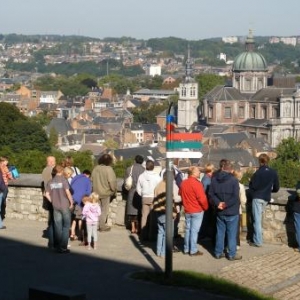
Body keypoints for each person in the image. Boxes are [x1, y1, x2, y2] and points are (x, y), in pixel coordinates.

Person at [209, 159, 241, 261]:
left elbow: (211, 194)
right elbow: (235, 196)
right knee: (231, 233)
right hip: (231, 210)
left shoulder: (214, 179)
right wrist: (225, 204)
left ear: (222, 168)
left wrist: (218, 203)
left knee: (220, 232)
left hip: (220, 210)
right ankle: (231, 254)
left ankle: (218, 252)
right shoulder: (234, 180)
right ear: (231, 170)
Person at [248, 153, 280, 247]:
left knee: (257, 220)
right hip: (266, 197)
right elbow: (277, 187)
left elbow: (252, 186)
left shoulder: (257, 173)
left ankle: (258, 241)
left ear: (260, 161)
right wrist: (270, 190)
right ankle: (258, 237)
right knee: (259, 219)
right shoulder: (273, 172)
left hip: (257, 197)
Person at [179, 166, 208, 256]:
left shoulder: (183, 183)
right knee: (194, 231)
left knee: (188, 230)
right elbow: (202, 198)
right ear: (193, 173)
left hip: (187, 209)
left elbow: (180, 194)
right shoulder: (197, 184)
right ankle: (193, 250)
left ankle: (186, 248)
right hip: (197, 209)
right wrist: (205, 207)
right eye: (198, 171)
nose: (199, 173)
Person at [45, 164, 74, 254]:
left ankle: (57, 246)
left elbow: (46, 194)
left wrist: (52, 201)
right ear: (61, 171)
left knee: (58, 226)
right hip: (65, 205)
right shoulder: (64, 180)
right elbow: (68, 192)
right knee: (66, 226)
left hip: (55, 206)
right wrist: (71, 202)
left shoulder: (50, 181)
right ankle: (63, 247)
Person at [136, 159, 161, 241]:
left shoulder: (141, 176)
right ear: (153, 167)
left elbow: (138, 189)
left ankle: (143, 235)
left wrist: (142, 194)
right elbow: (160, 188)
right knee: (153, 217)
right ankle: (151, 236)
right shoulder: (157, 176)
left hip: (145, 197)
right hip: (153, 197)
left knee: (144, 216)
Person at [152, 172, 176, 257]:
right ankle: (164, 253)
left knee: (161, 232)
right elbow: (168, 203)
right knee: (168, 234)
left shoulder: (158, 185)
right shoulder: (167, 187)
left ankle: (159, 251)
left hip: (158, 212)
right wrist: (173, 213)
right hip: (166, 212)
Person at [91, 154, 117, 232]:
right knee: (104, 210)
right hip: (105, 193)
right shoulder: (109, 169)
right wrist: (113, 191)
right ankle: (102, 226)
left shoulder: (95, 168)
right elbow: (112, 182)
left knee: (96, 210)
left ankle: (94, 225)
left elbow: (91, 180)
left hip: (95, 192)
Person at [124, 155, 145, 234]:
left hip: (132, 191)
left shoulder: (129, 169)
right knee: (139, 211)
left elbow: (125, 181)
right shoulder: (144, 170)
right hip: (141, 192)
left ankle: (132, 228)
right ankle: (138, 228)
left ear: (135, 160)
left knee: (132, 210)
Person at [70, 169, 92, 241]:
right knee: (80, 219)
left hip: (72, 200)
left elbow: (70, 187)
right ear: (88, 175)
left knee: (73, 218)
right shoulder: (88, 180)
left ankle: (72, 234)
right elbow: (88, 193)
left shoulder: (75, 178)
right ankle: (80, 235)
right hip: (80, 201)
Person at [41, 155, 56, 248]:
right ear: (51, 162)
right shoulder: (51, 171)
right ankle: (52, 239)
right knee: (54, 219)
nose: (54, 163)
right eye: (54, 161)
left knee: (51, 217)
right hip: (52, 195)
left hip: (47, 195)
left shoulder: (44, 170)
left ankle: (52, 238)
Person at [233, 170, 247, 249]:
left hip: (229, 208)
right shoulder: (241, 186)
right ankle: (237, 244)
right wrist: (243, 206)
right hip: (238, 209)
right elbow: (243, 200)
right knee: (237, 228)